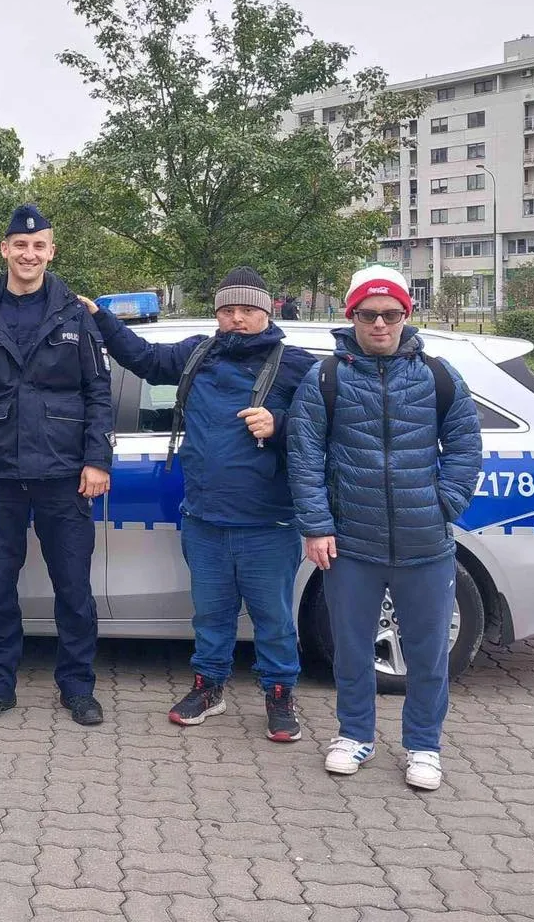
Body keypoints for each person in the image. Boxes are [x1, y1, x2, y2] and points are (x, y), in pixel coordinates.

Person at [81, 266, 316, 741]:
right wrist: (101, 320)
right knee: (210, 613)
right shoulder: (198, 353)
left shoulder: (297, 364)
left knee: (272, 619)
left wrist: (280, 424)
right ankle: (209, 687)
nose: (236, 319)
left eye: (247, 310)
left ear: (267, 312)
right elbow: (143, 358)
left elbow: (325, 429)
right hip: (204, 517)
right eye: (227, 310)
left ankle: (279, 695)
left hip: (268, 522)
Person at [287, 265, 482, 791]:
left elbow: (466, 444)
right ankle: (354, 735)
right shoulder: (325, 378)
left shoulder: (437, 376)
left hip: (426, 544)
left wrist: (447, 502)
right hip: (352, 542)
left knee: (426, 653)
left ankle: (424, 745)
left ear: (405, 316)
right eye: (369, 314)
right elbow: (304, 457)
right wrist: (317, 525)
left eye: (390, 314)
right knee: (351, 650)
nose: (380, 324)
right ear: (351, 316)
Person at [0, 204, 113, 728]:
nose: (29, 254)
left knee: (74, 590)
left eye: (39, 246)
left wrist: (97, 458)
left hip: (65, 475)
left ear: (51, 252)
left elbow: (98, 392)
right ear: (5, 250)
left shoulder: (75, 314)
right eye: (20, 245)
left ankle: (77, 687)